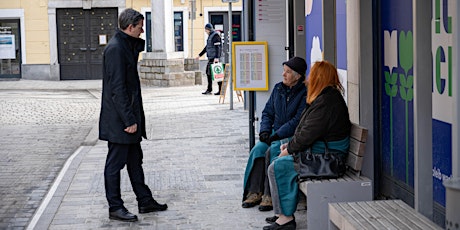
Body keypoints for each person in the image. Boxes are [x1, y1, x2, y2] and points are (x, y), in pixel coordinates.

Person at [263, 61, 351, 230]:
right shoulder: (324, 97)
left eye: (312, 75)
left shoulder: (327, 101)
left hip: (330, 159)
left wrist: (289, 149)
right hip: (323, 151)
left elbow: (307, 134)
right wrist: (288, 145)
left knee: (278, 167)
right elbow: (305, 130)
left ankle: (285, 218)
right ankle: (281, 212)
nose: (308, 79)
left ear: (319, 77)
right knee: (276, 151)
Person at [99, 8, 167, 222]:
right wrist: (129, 120)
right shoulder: (116, 49)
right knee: (114, 164)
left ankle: (145, 200)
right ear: (130, 27)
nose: (142, 30)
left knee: (135, 161)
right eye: (139, 27)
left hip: (128, 118)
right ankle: (115, 207)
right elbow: (117, 89)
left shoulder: (125, 45)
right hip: (120, 121)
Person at [242, 57, 308, 212]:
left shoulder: (304, 93)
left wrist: (276, 135)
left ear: (298, 76)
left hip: (289, 136)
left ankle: (269, 194)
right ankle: (254, 191)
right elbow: (267, 112)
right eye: (284, 71)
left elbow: (297, 121)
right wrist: (264, 131)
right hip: (273, 134)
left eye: (288, 72)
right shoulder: (278, 88)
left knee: (273, 151)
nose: (283, 75)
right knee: (258, 150)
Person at [196, 23, 222, 95]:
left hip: (214, 58)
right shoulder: (210, 36)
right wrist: (200, 55)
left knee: (217, 74)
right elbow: (207, 47)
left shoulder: (215, 36)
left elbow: (218, 48)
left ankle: (220, 90)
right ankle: (209, 89)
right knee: (209, 73)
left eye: (205, 30)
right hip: (211, 58)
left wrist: (217, 57)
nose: (205, 31)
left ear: (208, 29)